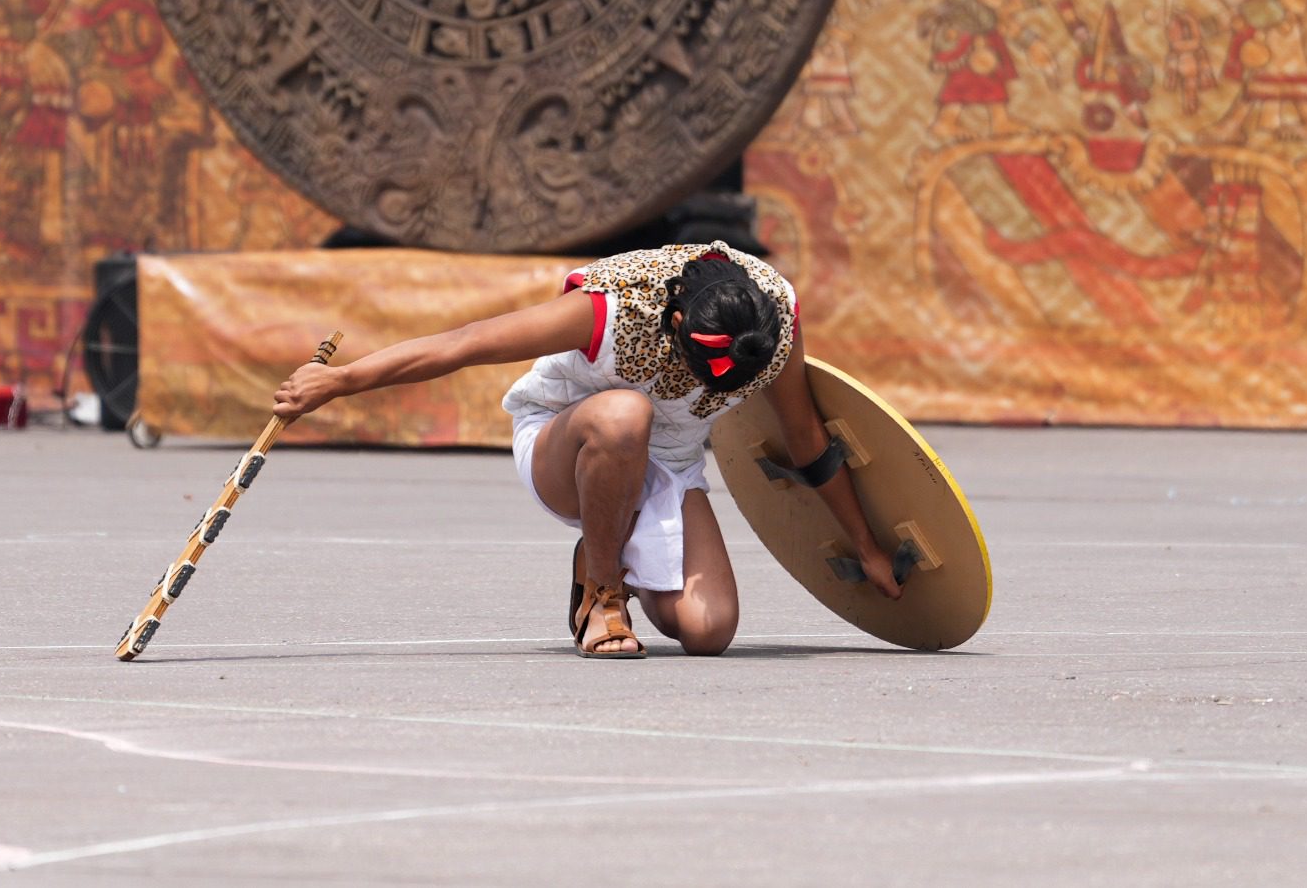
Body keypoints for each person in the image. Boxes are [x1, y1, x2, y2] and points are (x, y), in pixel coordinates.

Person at [272, 242, 905, 659]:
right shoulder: (611, 307)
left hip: (671, 461)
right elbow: (464, 343)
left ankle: (607, 543)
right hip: (566, 439)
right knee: (625, 413)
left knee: (709, 632)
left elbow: (806, 439)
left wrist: (868, 547)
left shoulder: (774, 322)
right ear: (677, 326)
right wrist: (340, 381)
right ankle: (604, 594)